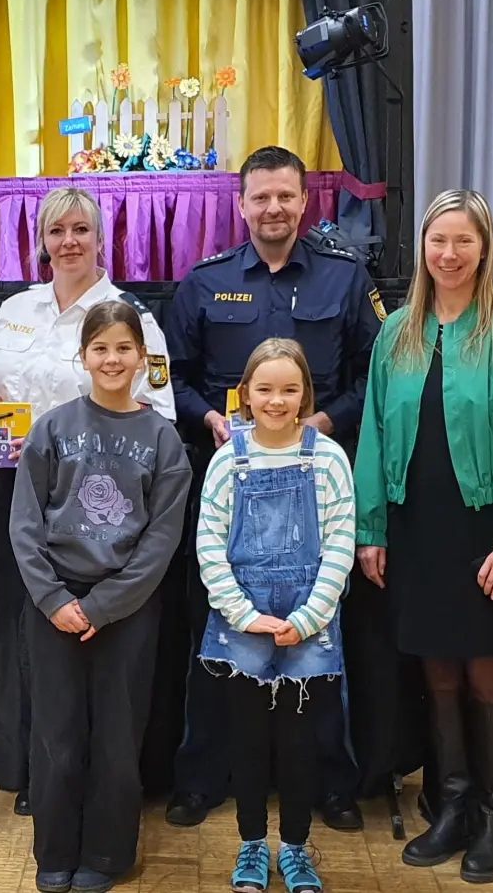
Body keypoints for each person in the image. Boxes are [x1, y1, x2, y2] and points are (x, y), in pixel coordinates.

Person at [164, 145, 381, 830]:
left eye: (286, 196)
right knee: (220, 639)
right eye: (260, 197)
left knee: (318, 644)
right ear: (241, 204)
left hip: (317, 487)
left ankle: (331, 785)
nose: (274, 208)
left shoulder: (345, 282)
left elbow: (373, 376)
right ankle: (203, 779)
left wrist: (320, 421)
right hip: (232, 485)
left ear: (304, 200)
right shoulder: (205, 282)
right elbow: (168, 375)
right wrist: (208, 420)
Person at [353, 189, 493, 884]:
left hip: (486, 529)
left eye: (462, 241)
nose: (448, 254)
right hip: (416, 526)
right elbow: (375, 436)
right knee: (435, 666)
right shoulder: (397, 333)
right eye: (438, 240)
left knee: (486, 666)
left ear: (484, 247)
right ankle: (452, 803)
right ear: (423, 247)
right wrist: (371, 527)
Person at [0, 185, 175, 816]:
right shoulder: (16, 311)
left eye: (81, 229)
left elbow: (159, 413)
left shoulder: (132, 315)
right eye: (57, 231)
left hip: (105, 516)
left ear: (100, 238)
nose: (69, 241)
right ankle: (47, 776)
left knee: (108, 656)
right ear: (42, 241)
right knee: (38, 645)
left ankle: (104, 788)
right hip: (30, 505)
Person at [10, 300, 191, 893]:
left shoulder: (163, 439)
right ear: (83, 356)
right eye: (100, 348)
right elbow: (25, 525)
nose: (112, 359)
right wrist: (55, 599)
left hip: (127, 608)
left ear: (142, 356)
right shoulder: (53, 428)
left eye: (123, 348)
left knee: (117, 737)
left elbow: (161, 541)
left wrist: (104, 606)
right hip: (55, 602)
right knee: (57, 736)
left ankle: (109, 853)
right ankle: (55, 850)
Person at [196, 338, 357, 893]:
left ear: (305, 394)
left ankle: (294, 848)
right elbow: (209, 545)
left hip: (307, 621)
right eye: (265, 389)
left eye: (290, 390)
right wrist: (243, 614)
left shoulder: (328, 457)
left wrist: (308, 618)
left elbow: (340, 543)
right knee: (247, 740)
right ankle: (249, 847)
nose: (277, 400)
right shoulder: (228, 458)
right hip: (242, 623)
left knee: (297, 743)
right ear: (245, 395)